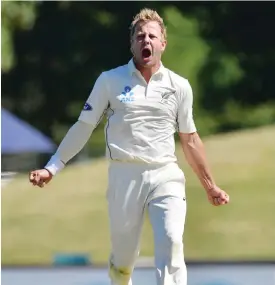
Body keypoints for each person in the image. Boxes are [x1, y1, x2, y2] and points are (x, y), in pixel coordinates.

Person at [29, 8, 229, 285]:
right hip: (124, 176)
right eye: (140, 36)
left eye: (152, 36)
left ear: (162, 44)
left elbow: (190, 139)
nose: (146, 41)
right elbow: (84, 126)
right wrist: (52, 167)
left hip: (165, 174)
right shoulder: (110, 80)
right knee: (123, 262)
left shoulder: (179, 86)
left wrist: (210, 186)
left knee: (171, 241)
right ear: (132, 43)